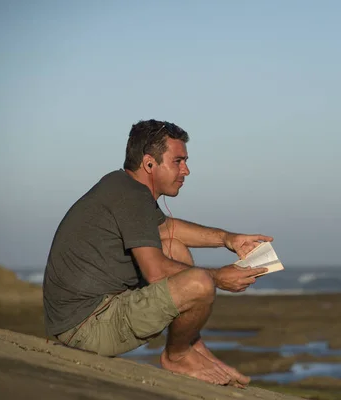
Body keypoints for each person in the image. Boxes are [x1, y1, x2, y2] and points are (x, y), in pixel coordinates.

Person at [43, 119, 272, 387]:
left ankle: (192, 348)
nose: (186, 170)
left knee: (174, 247)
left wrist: (228, 239)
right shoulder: (132, 196)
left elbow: (166, 230)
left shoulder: (122, 186)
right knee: (200, 283)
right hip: (87, 326)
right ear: (150, 163)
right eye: (178, 161)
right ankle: (176, 357)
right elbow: (156, 272)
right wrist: (218, 277)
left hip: (81, 316)